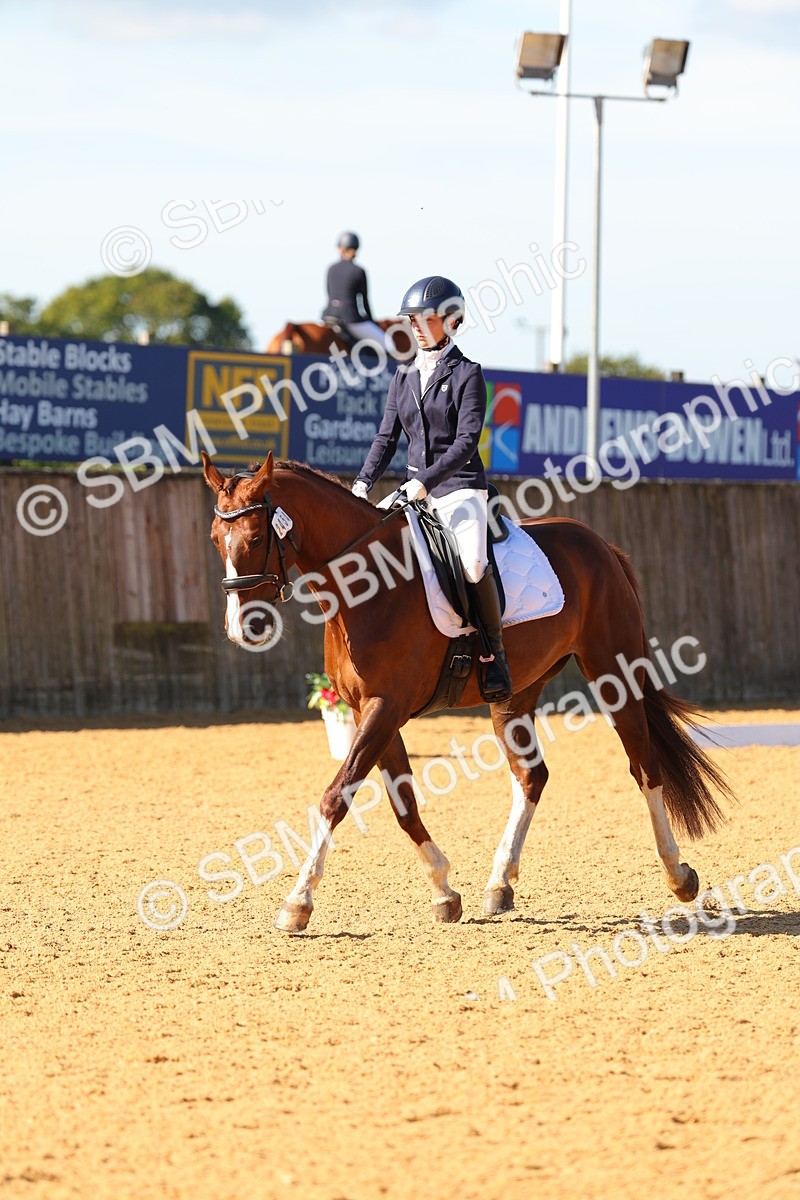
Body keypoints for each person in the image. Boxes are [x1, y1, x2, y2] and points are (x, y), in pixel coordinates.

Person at [351, 275, 513, 703]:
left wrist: (424, 481)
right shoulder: (403, 376)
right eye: (412, 319)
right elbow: (386, 439)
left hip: (459, 488)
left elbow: (466, 443)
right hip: (413, 489)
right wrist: (362, 484)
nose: (417, 326)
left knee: (474, 565)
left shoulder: (468, 375)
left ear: (452, 320)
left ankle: (494, 655)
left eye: (426, 318)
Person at [323, 232, 388, 351]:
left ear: (341, 248)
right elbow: (364, 301)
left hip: (329, 316)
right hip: (350, 319)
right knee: (388, 344)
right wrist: (372, 321)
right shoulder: (359, 271)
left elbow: (329, 294)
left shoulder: (331, 269)